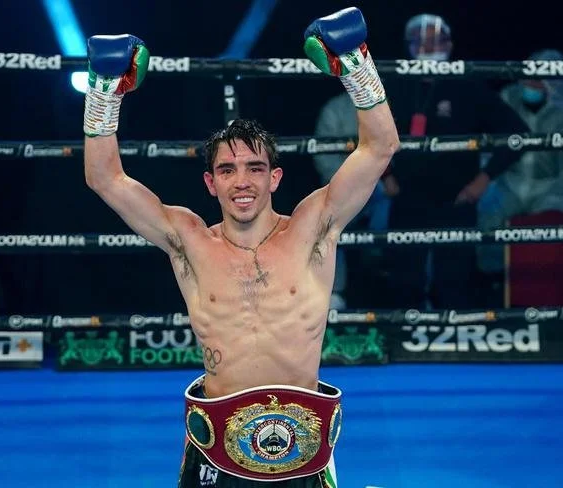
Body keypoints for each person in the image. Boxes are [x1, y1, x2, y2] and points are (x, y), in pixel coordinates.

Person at [83, 6, 398, 487]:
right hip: (217, 456)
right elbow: (105, 178)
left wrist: (357, 66)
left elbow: (379, 148)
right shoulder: (188, 240)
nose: (242, 182)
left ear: (275, 178)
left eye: (254, 168)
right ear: (211, 183)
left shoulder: (313, 228)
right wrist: (103, 93)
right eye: (227, 170)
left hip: (303, 454)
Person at [380, 13, 528, 309]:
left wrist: (484, 179)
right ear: (410, 45)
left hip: (458, 198)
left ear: (448, 44)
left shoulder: (468, 85)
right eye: (421, 42)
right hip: (407, 197)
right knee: (404, 281)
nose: (428, 48)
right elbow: (369, 134)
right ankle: (405, 335)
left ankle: (454, 336)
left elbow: (517, 132)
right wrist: (386, 175)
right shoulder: (394, 84)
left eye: (435, 41)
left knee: (454, 284)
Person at [477, 48, 563, 274]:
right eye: (528, 76)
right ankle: (493, 279)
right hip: (510, 182)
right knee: (487, 216)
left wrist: (554, 198)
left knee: (551, 229)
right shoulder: (508, 98)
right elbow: (490, 143)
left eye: (538, 79)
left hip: (550, 186)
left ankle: (547, 284)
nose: (529, 83)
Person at [313, 89, 391, 310]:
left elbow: (392, 148)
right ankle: (335, 291)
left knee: (391, 199)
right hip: (342, 188)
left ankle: (378, 256)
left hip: (378, 186)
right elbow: (323, 159)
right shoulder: (334, 110)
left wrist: (383, 178)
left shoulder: (383, 105)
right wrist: (350, 184)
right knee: (328, 219)